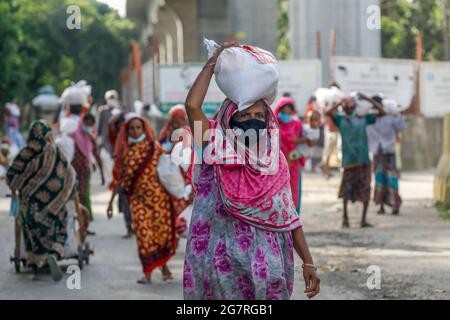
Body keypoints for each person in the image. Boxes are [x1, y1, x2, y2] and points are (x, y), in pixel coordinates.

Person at [183, 42, 320, 300]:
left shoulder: (274, 160)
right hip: (223, 263)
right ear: (228, 120)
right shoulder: (213, 146)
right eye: (244, 117)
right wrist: (213, 63)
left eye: (258, 115)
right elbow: (192, 106)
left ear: (268, 120)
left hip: (269, 264)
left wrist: (308, 262)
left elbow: (287, 214)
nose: (252, 122)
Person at [107, 115, 177, 284]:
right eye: (132, 128)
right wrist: (110, 203)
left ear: (144, 128)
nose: (135, 131)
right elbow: (119, 179)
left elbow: (169, 170)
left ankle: (164, 267)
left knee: (162, 235)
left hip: (159, 199)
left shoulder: (155, 148)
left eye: (138, 127)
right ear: (126, 131)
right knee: (144, 236)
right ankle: (147, 272)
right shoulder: (125, 152)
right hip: (137, 201)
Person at [6, 120, 77, 281]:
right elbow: (70, 175)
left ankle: (37, 263)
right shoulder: (55, 151)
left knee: (29, 225)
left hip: (31, 207)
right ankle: (54, 253)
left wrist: (22, 185)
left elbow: (11, 177)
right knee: (61, 224)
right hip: (55, 206)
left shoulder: (25, 153)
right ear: (48, 134)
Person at [326, 93, 385, 228]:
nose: (350, 104)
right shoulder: (341, 120)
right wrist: (339, 103)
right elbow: (327, 112)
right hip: (348, 161)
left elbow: (382, 111)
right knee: (346, 191)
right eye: (348, 102)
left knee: (365, 190)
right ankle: (345, 219)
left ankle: (363, 220)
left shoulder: (363, 118)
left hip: (363, 159)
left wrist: (367, 98)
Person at [367, 97, 405, 215]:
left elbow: (401, 127)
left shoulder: (390, 118)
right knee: (379, 180)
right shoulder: (370, 119)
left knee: (392, 179)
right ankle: (381, 205)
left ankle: (395, 205)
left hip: (389, 153)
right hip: (377, 154)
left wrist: (398, 114)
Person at [70, 114, 105, 234]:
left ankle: (84, 226)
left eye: (91, 124)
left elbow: (96, 155)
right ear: (83, 123)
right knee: (75, 198)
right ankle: (76, 226)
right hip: (73, 173)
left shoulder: (90, 137)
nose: (89, 126)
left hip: (85, 173)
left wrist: (102, 174)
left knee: (83, 197)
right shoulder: (73, 136)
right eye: (87, 124)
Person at [274, 97, 305, 213]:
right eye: (283, 112)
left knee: (294, 190)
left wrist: (298, 144)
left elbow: (305, 143)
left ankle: (294, 216)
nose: (286, 115)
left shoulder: (297, 124)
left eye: (289, 112)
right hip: (277, 165)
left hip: (293, 164)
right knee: (278, 190)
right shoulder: (274, 124)